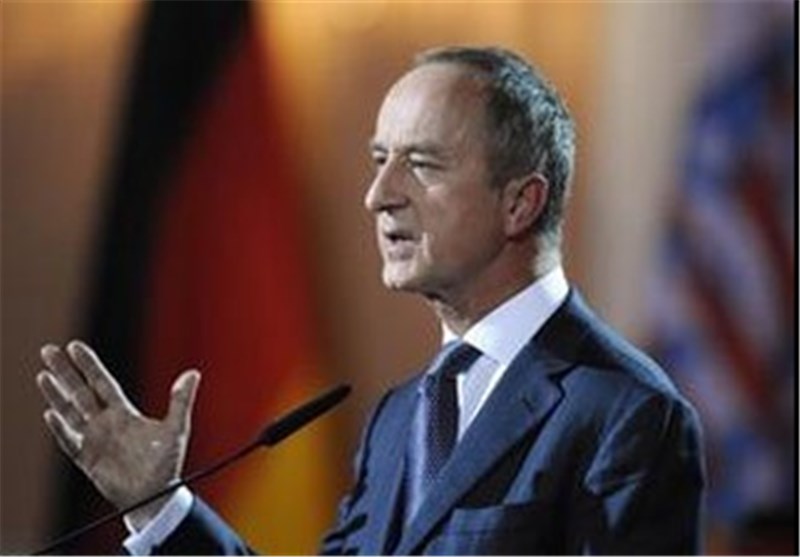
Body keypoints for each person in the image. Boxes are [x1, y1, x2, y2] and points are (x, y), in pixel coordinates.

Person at [37, 46, 705, 555]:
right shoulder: (399, 417)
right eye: (379, 159)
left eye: (422, 164)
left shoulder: (629, 415)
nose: (378, 195)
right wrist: (158, 506)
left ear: (520, 203)